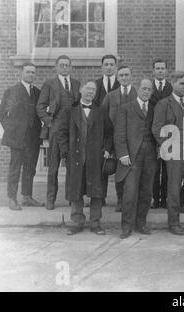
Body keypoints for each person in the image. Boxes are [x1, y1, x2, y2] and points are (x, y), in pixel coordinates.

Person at [57, 81, 113, 236]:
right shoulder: (70, 110)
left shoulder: (101, 111)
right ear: (81, 90)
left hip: (95, 158)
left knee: (96, 192)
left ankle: (96, 223)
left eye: (93, 90)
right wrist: (65, 153)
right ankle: (76, 223)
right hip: (75, 157)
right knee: (76, 190)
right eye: (87, 88)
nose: (90, 92)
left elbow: (110, 133)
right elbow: (61, 133)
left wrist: (107, 149)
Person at [152, 71, 184, 235]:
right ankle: (173, 222)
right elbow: (157, 128)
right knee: (173, 187)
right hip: (174, 151)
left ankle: (176, 206)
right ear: (173, 83)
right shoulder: (164, 104)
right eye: (182, 83)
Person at [36, 55, 81, 210]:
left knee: (72, 166)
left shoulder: (76, 84)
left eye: (67, 65)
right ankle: (50, 199)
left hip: (72, 131)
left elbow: (78, 106)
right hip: (56, 130)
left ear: (71, 67)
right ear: (56, 67)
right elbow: (40, 107)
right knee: (53, 167)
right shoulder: (50, 84)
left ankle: (72, 198)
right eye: (61, 65)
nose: (64, 68)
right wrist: (49, 123)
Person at [115, 79, 158, 239]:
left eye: (149, 89)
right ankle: (126, 227)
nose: (146, 91)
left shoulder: (153, 109)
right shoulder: (125, 108)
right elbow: (119, 134)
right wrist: (123, 154)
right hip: (132, 157)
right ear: (138, 89)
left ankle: (141, 223)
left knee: (146, 192)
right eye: (144, 88)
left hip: (150, 156)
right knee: (130, 193)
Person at [0, 63, 43, 210]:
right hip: (17, 138)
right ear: (21, 73)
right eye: (28, 72)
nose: (31, 75)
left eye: (33, 73)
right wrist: (11, 130)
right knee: (15, 168)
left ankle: (27, 197)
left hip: (33, 138)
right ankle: (12, 198)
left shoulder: (37, 92)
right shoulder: (13, 91)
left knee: (30, 168)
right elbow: (1, 113)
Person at [101, 65, 137, 212]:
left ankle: (132, 200)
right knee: (119, 171)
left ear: (131, 76)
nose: (124, 78)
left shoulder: (138, 93)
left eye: (126, 75)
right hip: (116, 140)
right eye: (121, 75)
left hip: (134, 140)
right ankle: (120, 199)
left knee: (133, 171)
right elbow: (103, 117)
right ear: (117, 77)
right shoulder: (111, 96)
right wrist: (107, 144)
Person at [94, 55, 120, 207]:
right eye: (106, 64)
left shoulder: (121, 84)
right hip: (101, 133)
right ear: (102, 67)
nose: (109, 67)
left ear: (116, 66)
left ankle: (120, 199)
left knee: (120, 166)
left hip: (118, 132)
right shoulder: (96, 85)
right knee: (101, 166)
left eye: (111, 64)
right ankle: (100, 196)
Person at [150, 59, 173, 209]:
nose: (159, 71)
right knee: (154, 169)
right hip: (151, 133)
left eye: (162, 68)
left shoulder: (171, 88)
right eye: (157, 68)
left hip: (168, 134)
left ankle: (164, 199)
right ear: (153, 71)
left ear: (166, 71)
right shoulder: (148, 87)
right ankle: (155, 199)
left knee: (167, 169)